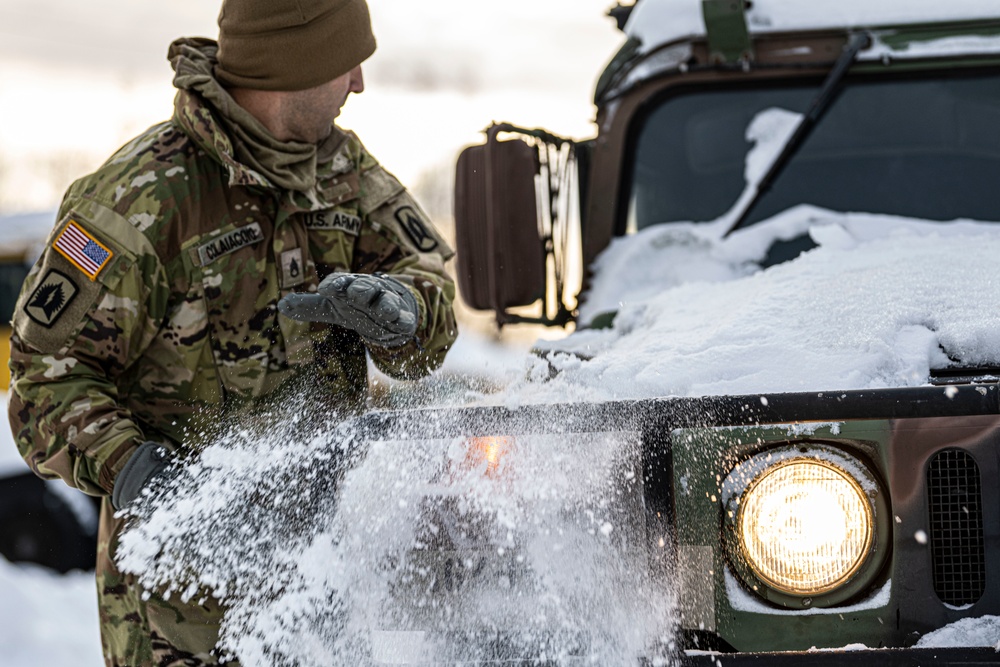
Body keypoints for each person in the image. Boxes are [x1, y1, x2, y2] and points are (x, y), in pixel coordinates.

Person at [6, 0, 457, 664]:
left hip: (331, 596)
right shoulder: (144, 198)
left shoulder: (345, 172)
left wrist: (404, 312)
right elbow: (43, 381)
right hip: (182, 623)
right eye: (346, 63)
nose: (359, 83)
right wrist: (137, 471)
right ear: (293, 65)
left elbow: (428, 284)